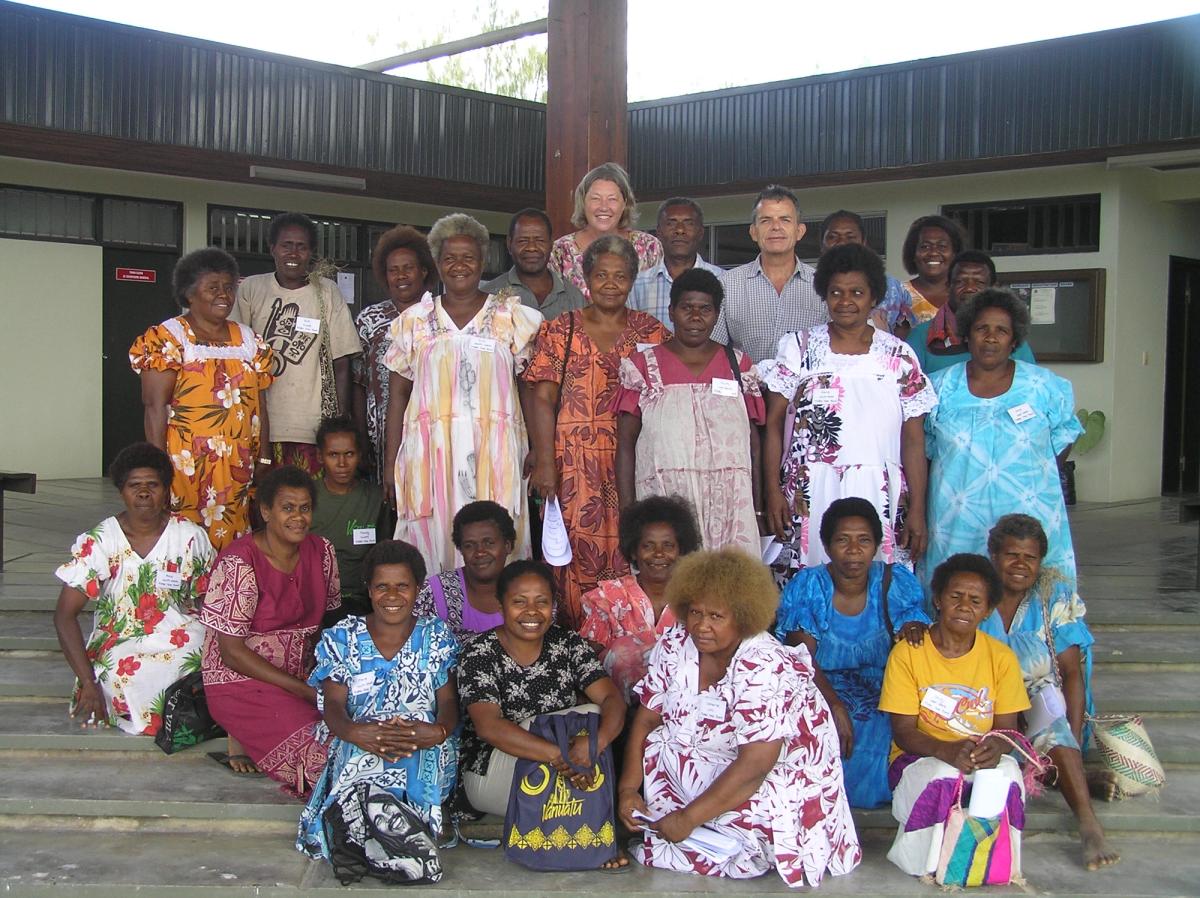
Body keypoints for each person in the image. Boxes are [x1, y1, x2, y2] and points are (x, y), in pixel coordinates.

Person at [616, 548, 860, 888]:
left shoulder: (764, 664)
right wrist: (628, 789)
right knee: (661, 743)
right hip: (714, 755)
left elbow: (757, 764)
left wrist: (688, 818)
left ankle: (713, 830)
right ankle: (696, 827)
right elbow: (646, 719)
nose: (702, 625)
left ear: (743, 617)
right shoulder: (674, 644)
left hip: (775, 770)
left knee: (717, 845)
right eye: (695, 613)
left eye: (716, 616)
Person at [760, 243, 937, 576]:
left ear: (873, 297)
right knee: (809, 584)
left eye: (857, 292)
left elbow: (913, 439)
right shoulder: (798, 348)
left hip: (880, 492)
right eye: (836, 292)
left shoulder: (898, 355)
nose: (846, 301)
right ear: (824, 296)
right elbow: (772, 424)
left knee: (876, 585)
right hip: (808, 493)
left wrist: (917, 510)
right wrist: (772, 491)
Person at [382, 213, 542, 576]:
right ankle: (436, 624)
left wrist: (538, 448)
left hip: (495, 454)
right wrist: (391, 464)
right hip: (431, 454)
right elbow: (397, 397)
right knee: (433, 539)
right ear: (437, 264)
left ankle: (496, 626)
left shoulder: (510, 316)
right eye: (450, 258)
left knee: (495, 536)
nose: (459, 266)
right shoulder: (414, 322)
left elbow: (527, 387)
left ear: (483, 262)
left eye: (468, 258)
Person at [525, 235, 671, 628]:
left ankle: (631, 638)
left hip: (636, 460)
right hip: (573, 464)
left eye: (620, 276)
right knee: (571, 549)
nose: (610, 283)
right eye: (601, 274)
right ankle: (578, 640)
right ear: (586, 278)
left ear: (632, 280)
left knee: (635, 542)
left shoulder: (652, 332)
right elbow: (542, 399)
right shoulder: (561, 329)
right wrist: (543, 462)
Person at [297, 540, 459, 881]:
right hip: (360, 734)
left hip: (423, 736)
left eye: (402, 586)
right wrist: (355, 732)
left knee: (417, 757)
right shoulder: (343, 637)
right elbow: (335, 706)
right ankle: (400, 847)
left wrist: (438, 731)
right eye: (382, 586)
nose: (392, 595)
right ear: (369, 590)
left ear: (417, 589)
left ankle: (362, 841)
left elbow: (448, 703)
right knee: (362, 757)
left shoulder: (436, 635)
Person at [457, 561, 626, 857]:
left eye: (542, 602)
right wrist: (561, 756)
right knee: (553, 726)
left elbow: (612, 700)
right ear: (501, 604)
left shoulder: (568, 644)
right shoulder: (480, 652)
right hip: (496, 774)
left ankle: (590, 837)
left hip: (563, 765)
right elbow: (489, 727)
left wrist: (593, 744)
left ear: (553, 605)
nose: (532, 612)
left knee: (598, 716)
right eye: (519, 602)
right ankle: (591, 826)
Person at [879, 553, 1031, 878]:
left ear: (987, 610)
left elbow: (1006, 729)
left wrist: (995, 748)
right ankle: (932, 865)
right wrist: (946, 750)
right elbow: (903, 732)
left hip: (978, 755)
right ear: (938, 600)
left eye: (975, 601)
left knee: (1009, 778)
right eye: (955, 597)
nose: (964, 607)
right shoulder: (908, 652)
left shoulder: (1001, 658)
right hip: (919, 756)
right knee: (942, 778)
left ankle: (996, 865)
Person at [983, 514, 1119, 870]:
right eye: (1011, 555)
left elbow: (1072, 674)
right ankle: (1061, 776)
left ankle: (1089, 824)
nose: (1020, 565)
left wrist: (1071, 740)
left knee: (1051, 719)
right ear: (993, 555)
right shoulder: (974, 589)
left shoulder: (1052, 594)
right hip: (986, 706)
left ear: (1040, 561)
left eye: (1029, 558)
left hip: (1042, 707)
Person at [774, 499, 931, 808]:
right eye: (842, 540)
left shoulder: (894, 582)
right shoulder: (810, 585)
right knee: (827, 725)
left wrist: (915, 628)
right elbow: (801, 659)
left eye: (864, 540)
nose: (854, 549)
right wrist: (833, 704)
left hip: (885, 686)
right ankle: (824, 806)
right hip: (820, 686)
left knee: (892, 725)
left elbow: (915, 630)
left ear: (876, 545)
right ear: (826, 545)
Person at [922, 288, 1083, 587]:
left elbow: (1065, 434)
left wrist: (1036, 474)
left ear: (1014, 339)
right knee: (960, 592)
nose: (991, 337)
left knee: (1030, 592)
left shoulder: (1043, 386)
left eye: (1001, 330)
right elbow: (926, 449)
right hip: (957, 517)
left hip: (1028, 512)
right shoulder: (939, 388)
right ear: (967, 334)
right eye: (982, 328)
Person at [53, 442, 213, 736]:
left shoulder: (190, 536)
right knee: (121, 674)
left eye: (152, 485)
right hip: (120, 640)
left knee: (197, 658)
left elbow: (211, 603)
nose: (143, 493)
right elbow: (64, 616)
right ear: (121, 491)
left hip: (180, 634)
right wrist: (88, 682)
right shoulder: (100, 540)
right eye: (134, 485)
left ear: (166, 489)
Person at [200, 466, 341, 795]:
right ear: (265, 511)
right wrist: (305, 692)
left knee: (360, 732)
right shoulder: (240, 562)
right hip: (241, 683)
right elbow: (231, 653)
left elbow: (331, 622)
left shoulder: (321, 552)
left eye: (305, 508)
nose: (298, 517)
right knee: (324, 756)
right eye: (287, 508)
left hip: (303, 678)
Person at [130, 247, 274, 549]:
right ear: (189, 294)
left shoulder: (248, 340)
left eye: (228, 287)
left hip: (237, 468)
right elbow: (154, 408)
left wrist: (263, 457)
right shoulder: (168, 338)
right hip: (185, 470)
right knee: (185, 543)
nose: (223, 295)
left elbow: (260, 404)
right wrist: (159, 469)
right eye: (212, 288)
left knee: (234, 543)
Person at [615, 268, 764, 552]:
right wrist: (628, 512)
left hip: (730, 502)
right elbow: (625, 444)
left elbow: (753, 444)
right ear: (671, 312)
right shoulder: (642, 367)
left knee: (729, 582)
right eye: (686, 308)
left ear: (717, 314)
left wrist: (758, 509)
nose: (695, 317)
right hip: (666, 496)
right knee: (671, 579)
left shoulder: (740, 366)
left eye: (705, 309)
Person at [234, 212, 361, 475]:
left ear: (311, 252)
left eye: (301, 247)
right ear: (272, 249)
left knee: (310, 506)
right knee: (266, 507)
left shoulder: (326, 292)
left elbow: (341, 362)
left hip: (313, 428)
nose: (293, 253)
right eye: (286, 245)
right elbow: (238, 358)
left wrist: (338, 424)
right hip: (261, 425)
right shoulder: (251, 289)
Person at [579, 495, 702, 700]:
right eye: (648, 545)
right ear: (634, 551)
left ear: (681, 550)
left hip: (682, 715)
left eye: (668, 545)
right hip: (619, 716)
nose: (659, 554)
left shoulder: (698, 599)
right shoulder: (608, 598)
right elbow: (585, 662)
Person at [353, 226, 437, 485]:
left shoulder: (440, 317)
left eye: (408, 268)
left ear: (423, 271)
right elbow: (357, 382)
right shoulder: (368, 319)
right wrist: (360, 436)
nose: (401, 275)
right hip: (378, 432)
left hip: (431, 426)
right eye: (393, 270)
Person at [712, 185, 828, 364]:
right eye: (766, 220)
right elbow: (714, 350)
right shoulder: (727, 285)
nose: (776, 227)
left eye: (785, 220)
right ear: (753, 232)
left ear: (800, 231)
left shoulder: (823, 285)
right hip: (746, 389)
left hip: (806, 390)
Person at [906, 250, 1037, 374]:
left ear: (994, 287)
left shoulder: (1009, 336)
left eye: (979, 282)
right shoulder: (921, 336)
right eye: (960, 282)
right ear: (947, 286)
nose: (969, 288)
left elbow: (1030, 384)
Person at [549, 162, 663, 298]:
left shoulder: (649, 247)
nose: (604, 207)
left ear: (625, 204)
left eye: (612, 199)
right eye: (596, 198)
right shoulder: (559, 252)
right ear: (583, 202)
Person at [309, 416, 383, 619]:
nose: (342, 463)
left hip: (360, 602)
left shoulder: (376, 498)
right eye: (333, 454)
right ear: (320, 456)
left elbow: (385, 554)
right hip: (313, 600)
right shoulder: (306, 498)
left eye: (349, 454)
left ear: (359, 455)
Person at [413, 500, 516, 645]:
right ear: (461, 550)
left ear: (507, 545)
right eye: (469, 545)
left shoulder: (529, 592)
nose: (480, 552)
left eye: (489, 543)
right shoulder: (435, 593)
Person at [630, 198, 724, 325]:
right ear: (659, 232)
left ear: (701, 232)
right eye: (671, 223)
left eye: (689, 223)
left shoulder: (723, 281)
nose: (680, 230)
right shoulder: (637, 285)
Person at [819, 210, 913, 334]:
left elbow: (906, 337)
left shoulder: (893, 288)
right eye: (833, 237)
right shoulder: (808, 284)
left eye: (850, 237)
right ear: (821, 244)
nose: (842, 243)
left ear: (863, 242)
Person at [482, 208, 586, 320]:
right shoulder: (489, 295)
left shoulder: (574, 298)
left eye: (540, 240)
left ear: (551, 244)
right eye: (523, 241)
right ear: (509, 244)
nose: (531, 247)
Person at [899, 214, 965, 324]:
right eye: (925, 246)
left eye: (942, 246)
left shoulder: (966, 294)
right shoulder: (897, 295)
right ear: (913, 253)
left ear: (955, 253)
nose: (933, 252)